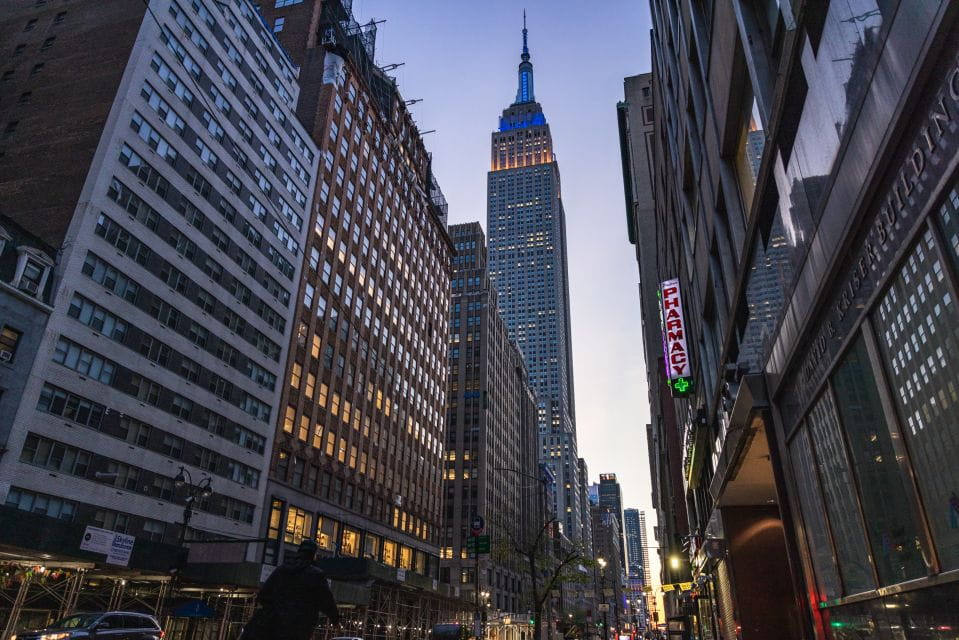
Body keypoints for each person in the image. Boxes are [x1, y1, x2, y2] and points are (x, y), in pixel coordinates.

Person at [241, 540, 341, 640]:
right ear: (313, 555)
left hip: (274, 625)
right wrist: (335, 620)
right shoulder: (316, 575)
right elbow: (327, 602)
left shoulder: (281, 570)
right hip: (299, 628)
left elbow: (264, 594)